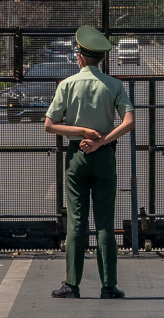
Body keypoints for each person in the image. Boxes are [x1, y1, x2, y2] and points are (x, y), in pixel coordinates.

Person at [44, 26, 134, 299]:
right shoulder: (115, 85)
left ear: (80, 56)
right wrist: (101, 140)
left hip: (77, 157)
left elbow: (50, 125)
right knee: (105, 222)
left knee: (76, 221)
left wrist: (81, 133)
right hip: (105, 156)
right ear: (102, 59)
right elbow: (129, 122)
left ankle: (72, 284)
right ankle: (109, 286)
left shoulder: (67, 84)